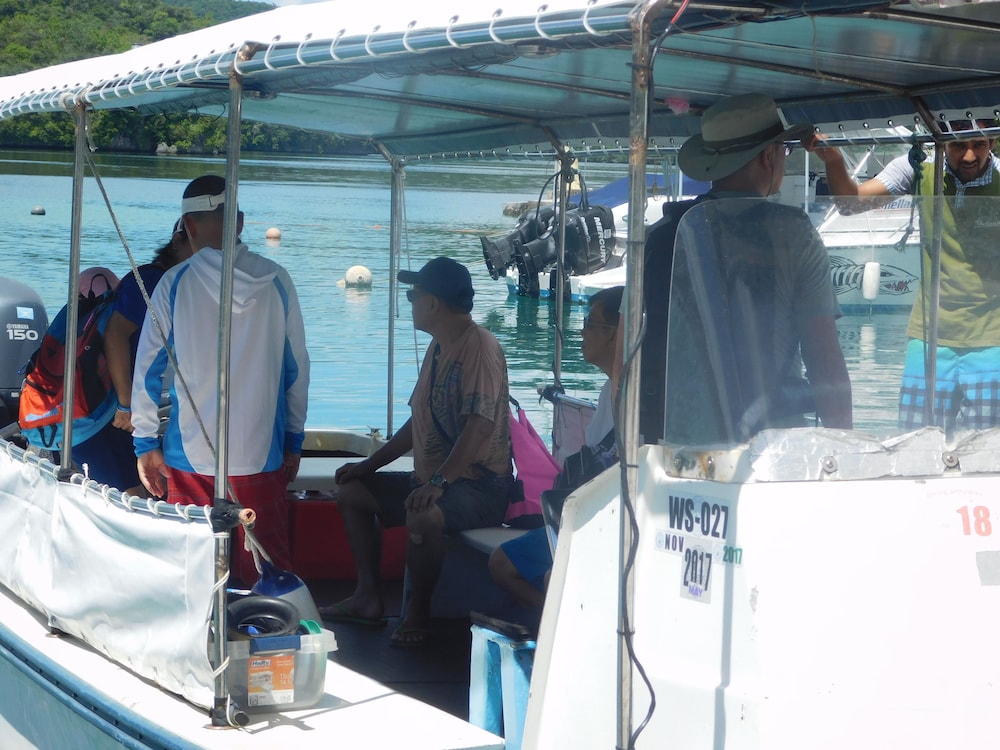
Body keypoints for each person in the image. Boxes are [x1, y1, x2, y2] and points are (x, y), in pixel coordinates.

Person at [618, 93, 852, 443]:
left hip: (676, 444)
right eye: (784, 151)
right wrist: (844, 449)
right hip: (769, 446)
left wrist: (631, 451)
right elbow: (824, 361)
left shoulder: (661, 236)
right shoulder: (795, 235)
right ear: (769, 156)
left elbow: (624, 357)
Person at [323, 256, 512, 648]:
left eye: (413, 295)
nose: (409, 302)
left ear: (434, 303)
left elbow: (479, 426)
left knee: (422, 513)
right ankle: (368, 597)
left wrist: (439, 483)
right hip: (436, 480)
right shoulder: (439, 348)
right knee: (351, 492)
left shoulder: (479, 347)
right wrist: (368, 466)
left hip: (481, 487)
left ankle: (417, 613)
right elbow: (419, 423)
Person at [131, 175, 310, 585]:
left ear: (188, 226)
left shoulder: (174, 284)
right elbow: (296, 370)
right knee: (267, 572)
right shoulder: (278, 280)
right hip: (262, 455)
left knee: (192, 573)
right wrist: (293, 439)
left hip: (190, 458)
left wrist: (145, 443)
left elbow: (147, 371)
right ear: (240, 223)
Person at [807, 119, 1000, 434]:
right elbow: (849, 204)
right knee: (916, 445)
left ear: (992, 142)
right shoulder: (918, 168)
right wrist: (834, 161)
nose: (968, 156)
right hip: (927, 338)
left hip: (994, 341)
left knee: (987, 452)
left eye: (978, 144)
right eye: (957, 145)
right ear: (941, 142)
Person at [488, 286, 623, 611]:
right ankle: (555, 620)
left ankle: (559, 625)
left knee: (551, 576)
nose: (582, 332)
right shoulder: (609, 391)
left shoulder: (636, 397)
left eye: (590, 323)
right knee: (501, 563)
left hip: (608, 521)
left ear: (615, 334)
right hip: (585, 513)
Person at [79, 220, 193, 496]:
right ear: (177, 243)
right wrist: (126, 405)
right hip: (104, 409)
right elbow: (115, 335)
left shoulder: (172, 282)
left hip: (110, 403)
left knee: (142, 491)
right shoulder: (154, 281)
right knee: (132, 499)